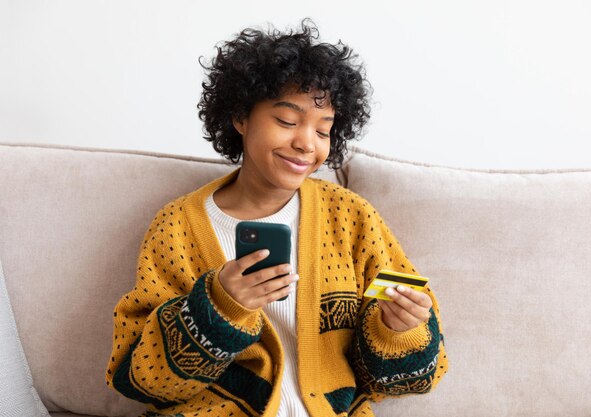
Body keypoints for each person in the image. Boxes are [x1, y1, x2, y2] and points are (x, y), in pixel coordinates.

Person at [106, 19, 448, 417]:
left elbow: (414, 377)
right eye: (287, 121)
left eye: (324, 130)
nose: (306, 143)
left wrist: (399, 331)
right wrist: (219, 307)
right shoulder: (177, 227)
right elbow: (142, 379)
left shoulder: (351, 217)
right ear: (240, 117)